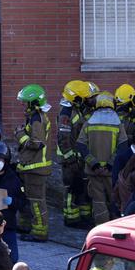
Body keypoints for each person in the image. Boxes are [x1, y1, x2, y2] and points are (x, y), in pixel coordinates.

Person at [14, 84, 53, 243]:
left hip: (36, 168)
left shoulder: (37, 119)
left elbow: (37, 143)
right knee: (30, 198)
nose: (23, 105)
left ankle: (40, 232)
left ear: (34, 102)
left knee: (37, 201)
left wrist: (20, 135)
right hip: (31, 167)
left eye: (25, 102)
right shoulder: (35, 116)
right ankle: (27, 226)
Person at [78, 92, 125, 225]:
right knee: (115, 200)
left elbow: (80, 144)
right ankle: (116, 228)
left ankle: (101, 229)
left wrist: (94, 164)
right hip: (111, 171)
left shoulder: (89, 122)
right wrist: (110, 165)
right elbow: (123, 146)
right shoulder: (118, 123)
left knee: (98, 202)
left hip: (94, 171)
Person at [57, 80, 95, 229]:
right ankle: (71, 218)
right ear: (76, 98)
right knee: (71, 188)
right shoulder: (66, 114)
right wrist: (70, 159)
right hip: (69, 159)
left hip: (77, 157)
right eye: (84, 98)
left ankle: (84, 216)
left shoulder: (76, 109)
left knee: (82, 187)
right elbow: (63, 139)